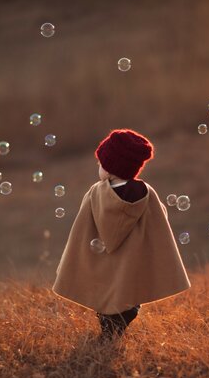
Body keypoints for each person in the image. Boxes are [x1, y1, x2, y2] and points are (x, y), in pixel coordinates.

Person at [52, 129, 191, 341]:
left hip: (105, 262)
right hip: (132, 263)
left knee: (107, 293)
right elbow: (160, 216)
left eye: (100, 163)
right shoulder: (146, 192)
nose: (98, 167)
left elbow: (83, 226)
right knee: (129, 295)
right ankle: (123, 318)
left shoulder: (95, 193)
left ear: (109, 169)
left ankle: (108, 324)